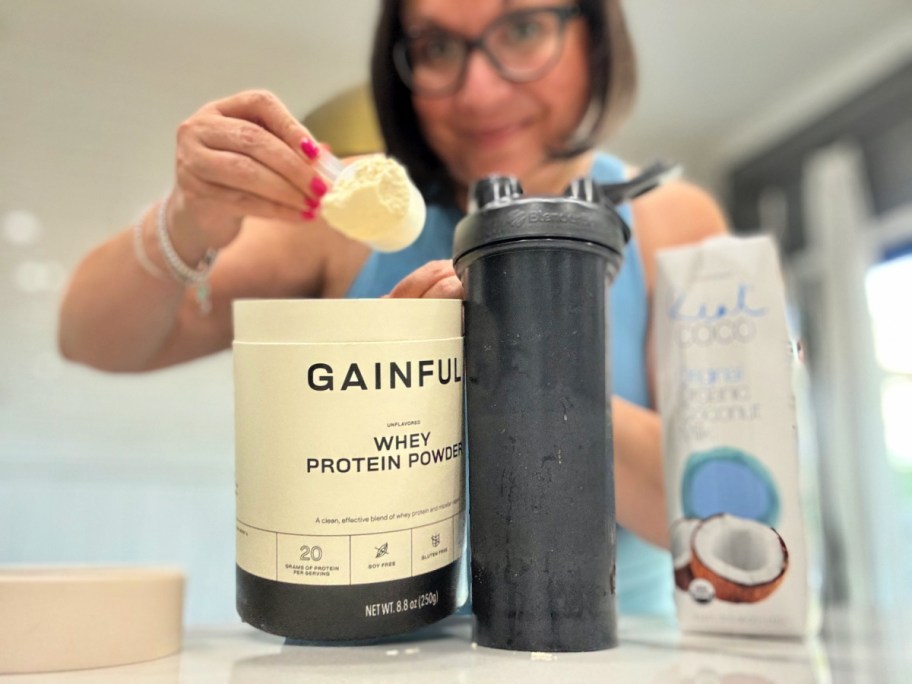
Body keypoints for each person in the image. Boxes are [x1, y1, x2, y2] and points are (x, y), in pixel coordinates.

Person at [58, 0, 727, 615]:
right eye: (436, 47)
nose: (478, 91)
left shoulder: (673, 222)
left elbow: (720, 512)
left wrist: (509, 367)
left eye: (522, 30)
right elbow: (92, 339)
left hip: (608, 654)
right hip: (364, 648)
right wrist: (190, 215)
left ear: (596, 36)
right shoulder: (346, 212)